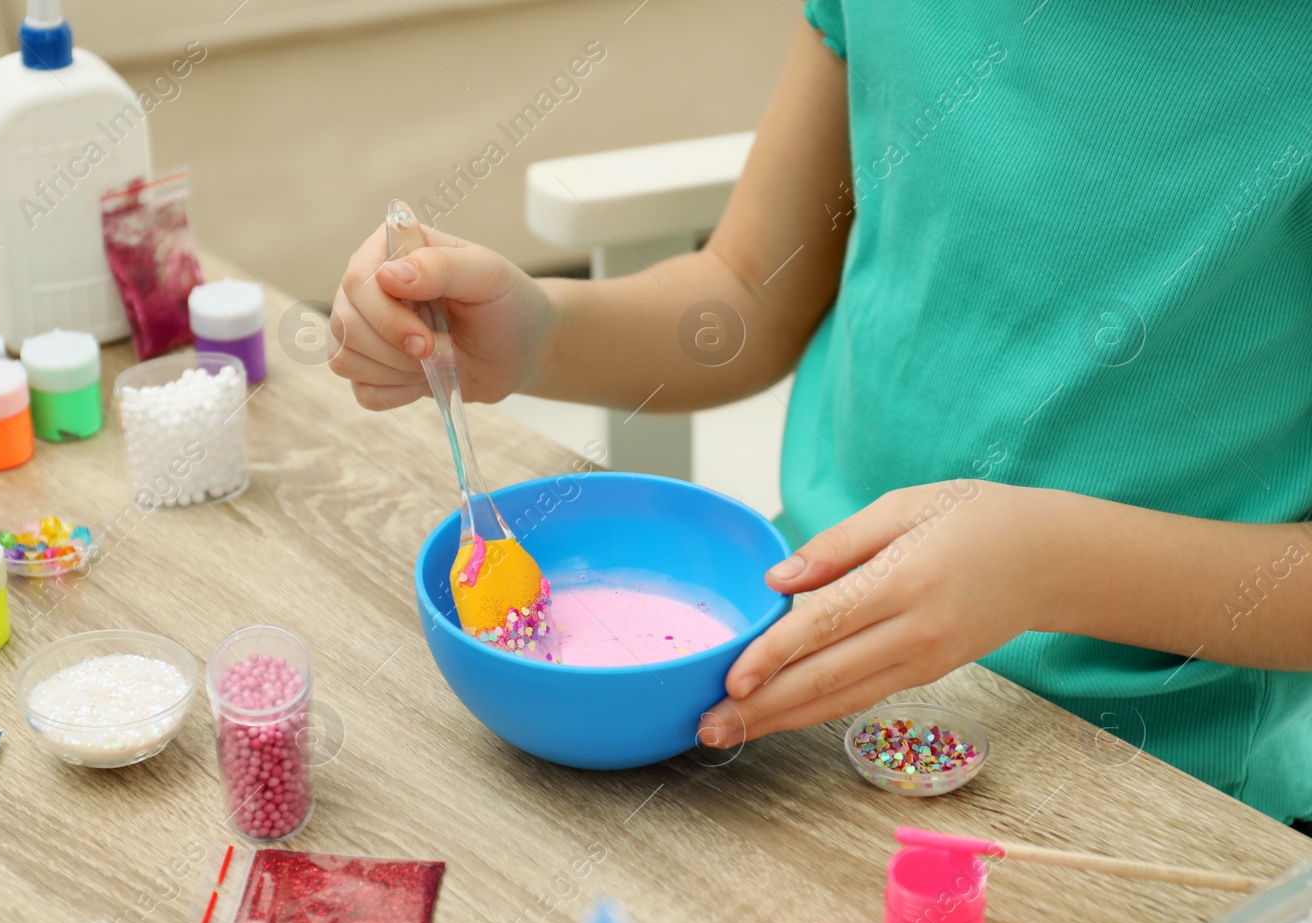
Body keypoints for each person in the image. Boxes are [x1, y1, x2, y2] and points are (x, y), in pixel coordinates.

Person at [327, 7, 1312, 824]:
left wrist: (1046, 563)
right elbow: (749, 290)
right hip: (787, 681)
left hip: (1160, 782)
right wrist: (540, 332)